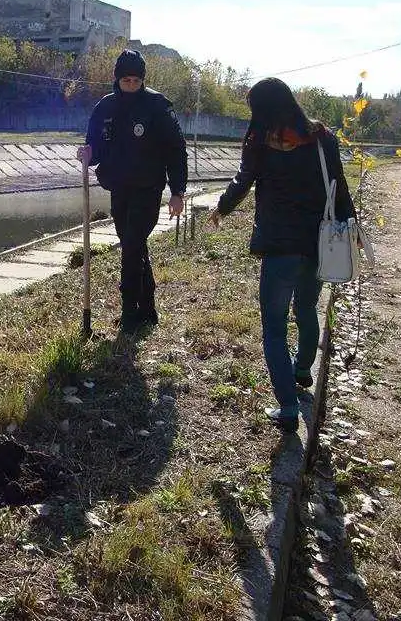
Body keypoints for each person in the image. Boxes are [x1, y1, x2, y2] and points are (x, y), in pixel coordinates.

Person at [209, 77, 357, 434]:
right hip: (318, 242)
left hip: (278, 247)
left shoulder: (261, 141)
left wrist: (222, 208)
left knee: (274, 329)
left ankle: (288, 407)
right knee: (306, 308)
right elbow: (338, 184)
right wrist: (349, 225)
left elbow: (243, 180)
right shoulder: (322, 137)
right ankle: (304, 370)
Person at [78, 49, 189, 334]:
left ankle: (129, 316)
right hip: (119, 188)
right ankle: (148, 310)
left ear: (142, 81)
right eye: (126, 80)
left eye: (135, 81)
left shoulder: (157, 106)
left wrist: (178, 192)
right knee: (134, 245)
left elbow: (176, 150)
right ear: (117, 79)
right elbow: (96, 145)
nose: (130, 85)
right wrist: (87, 152)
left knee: (130, 247)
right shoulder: (106, 107)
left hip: (148, 189)